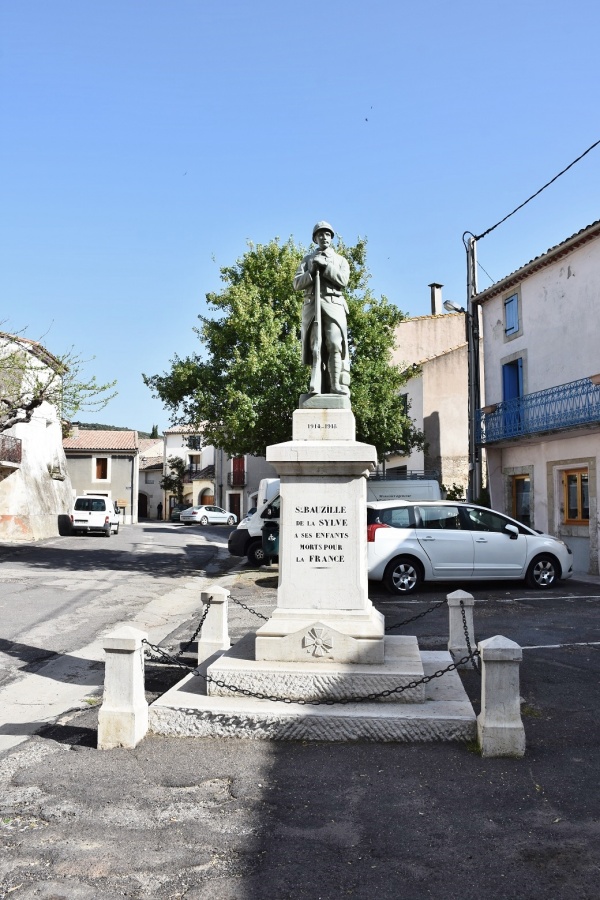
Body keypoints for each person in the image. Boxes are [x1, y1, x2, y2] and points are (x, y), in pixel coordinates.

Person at [293, 221, 351, 396]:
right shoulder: (307, 260)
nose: (323, 237)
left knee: (334, 343)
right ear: (315, 238)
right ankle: (316, 385)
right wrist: (311, 272)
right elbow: (296, 283)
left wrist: (325, 266)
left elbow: (343, 280)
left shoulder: (341, 260)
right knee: (315, 347)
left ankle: (335, 386)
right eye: (320, 234)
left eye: (327, 234)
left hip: (334, 305)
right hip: (313, 306)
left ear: (331, 238)